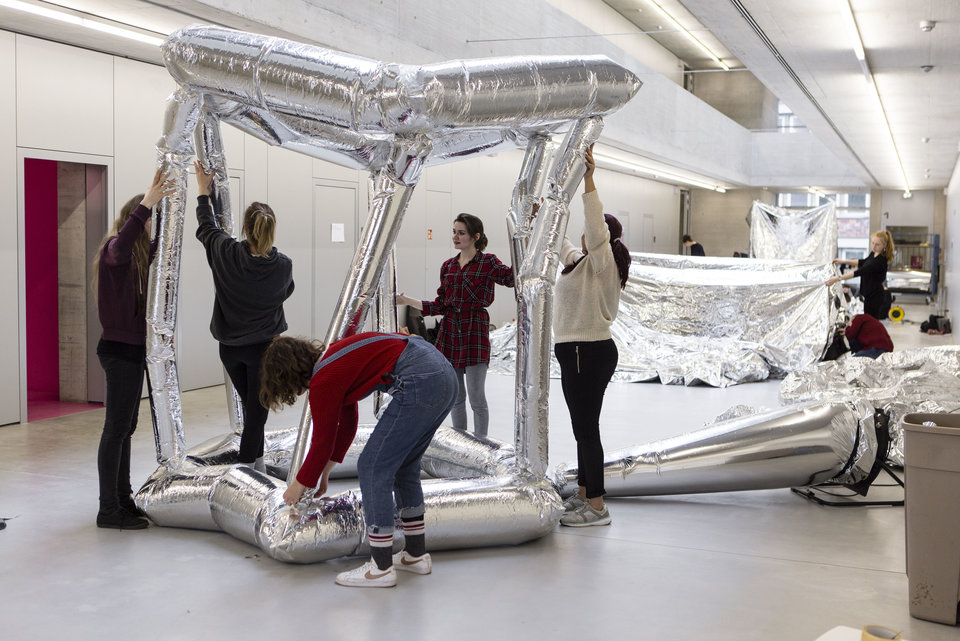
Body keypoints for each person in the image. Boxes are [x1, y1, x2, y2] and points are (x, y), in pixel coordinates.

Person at [260, 332, 457, 588]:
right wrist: (326, 472)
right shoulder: (333, 360)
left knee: (373, 467)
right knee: (405, 467)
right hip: (443, 374)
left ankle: (381, 568)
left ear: (286, 376)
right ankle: (415, 556)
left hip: (420, 378)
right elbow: (346, 425)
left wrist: (299, 485)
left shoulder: (323, 381)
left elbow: (321, 442)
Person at [194, 162, 295, 468]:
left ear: (245, 228)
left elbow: (206, 228)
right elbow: (286, 291)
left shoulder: (226, 254)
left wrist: (202, 191)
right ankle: (249, 470)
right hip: (263, 350)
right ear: (272, 229)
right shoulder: (282, 265)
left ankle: (256, 465)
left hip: (230, 350)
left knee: (254, 412)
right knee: (256, 414)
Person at [554, 145, 632, 527]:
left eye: (592, 233)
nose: (585, 237)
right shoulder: (582, 264)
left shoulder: (602, 263)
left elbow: (593, 223)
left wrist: (588, 178)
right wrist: (547, 218)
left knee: (586, 428)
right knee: (582, 426)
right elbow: (563, 247)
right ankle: (585, 495)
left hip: (588, 350)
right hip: (577, 351)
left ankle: (597, 506)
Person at [94, 169, 175, 529]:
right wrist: (148, 203)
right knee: (116, 429)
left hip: (131, 351)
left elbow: (165, 246)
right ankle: (108, 508)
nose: (147, 229)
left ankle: (122, 499)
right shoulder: (116, 250)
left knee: (126, 428)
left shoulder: (138, 259)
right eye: (144, 222)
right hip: (118, 350)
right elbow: (125, 242)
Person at [396, 213, 514, 439]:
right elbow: (440, 305)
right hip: (450, 333)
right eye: (454, 232)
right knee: (456, 397)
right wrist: (407, 300)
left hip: (475, 331)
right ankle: (462, 445)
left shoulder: (488, 263)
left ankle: (480, 446)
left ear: (475, 236)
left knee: (477, 397)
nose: (456, 237)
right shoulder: (448, 267)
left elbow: (512, 278)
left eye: (461, 233)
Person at [826, 230, 894, 320]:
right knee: (868, 320)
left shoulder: (880, 261)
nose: (874, 246)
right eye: (872, 243)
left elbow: (860, 271)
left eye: (877, 244)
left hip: (875, 296)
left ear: (884, 245)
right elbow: (863, 262)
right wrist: (843, 261)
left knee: (870, 321)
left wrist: (838, 278)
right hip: (870, 294)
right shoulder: (874, 253)